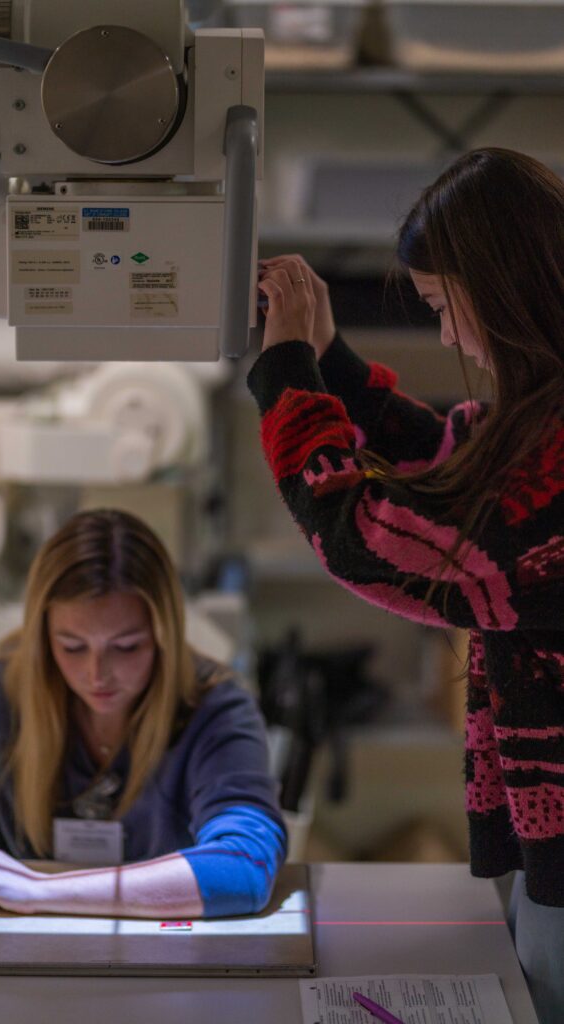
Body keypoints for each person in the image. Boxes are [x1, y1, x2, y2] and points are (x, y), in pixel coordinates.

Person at [247, 148, 564, 1021]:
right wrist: (326, 360)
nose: (448, 339)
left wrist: (283, 379)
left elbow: (371, 542)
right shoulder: (541, 410)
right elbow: (452, 458)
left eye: (440, 308)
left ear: (498, 289)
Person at [0, 508, 287, 919]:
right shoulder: (11, 687)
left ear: (163, 634)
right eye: (71, 646)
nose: (96, 674)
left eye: (126, 647)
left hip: (159, 939)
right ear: (43, 636)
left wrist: (41, 893)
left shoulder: (216, 707)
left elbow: (244, 868)